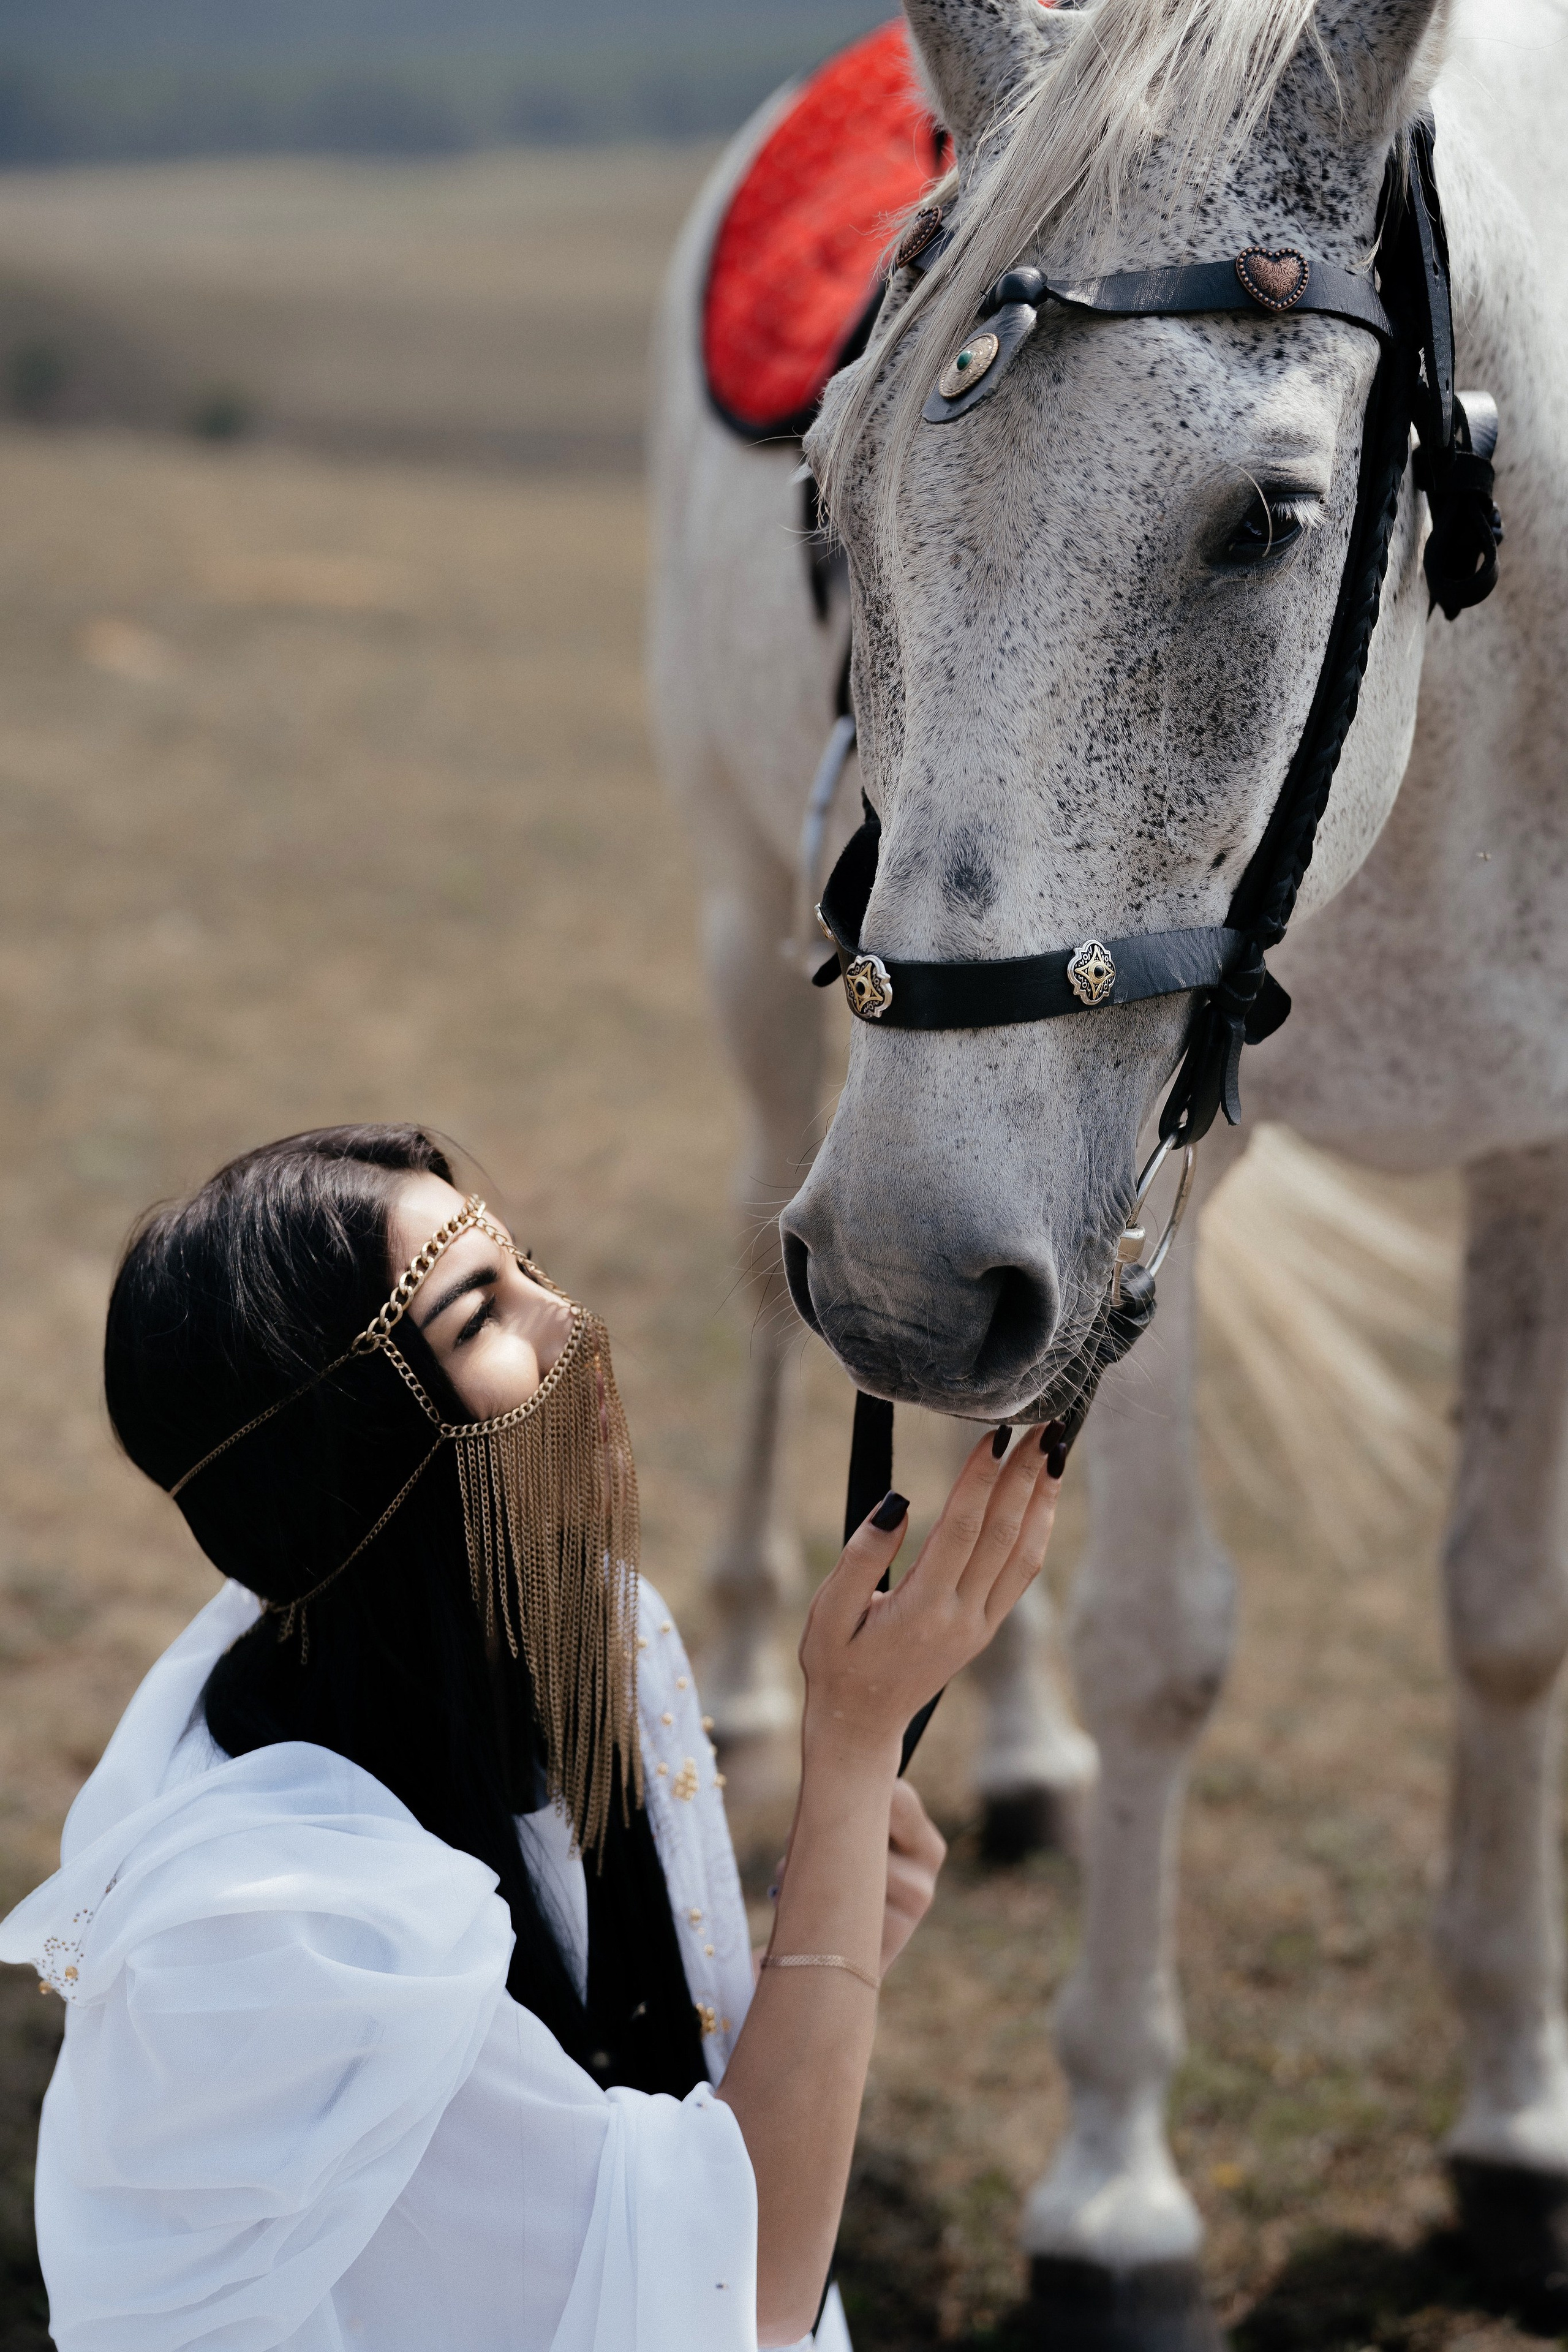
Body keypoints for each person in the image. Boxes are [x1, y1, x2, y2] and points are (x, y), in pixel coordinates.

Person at [0, 1124, 1064, 2351]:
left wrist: (829, 1925)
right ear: (357, 1452)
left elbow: (657, 2132)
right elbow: (744, 2290)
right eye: (475, 1319)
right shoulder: (302, 1935)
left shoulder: (591, 1628)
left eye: (529, 1268)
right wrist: (853, 1750)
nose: (569, 1321)